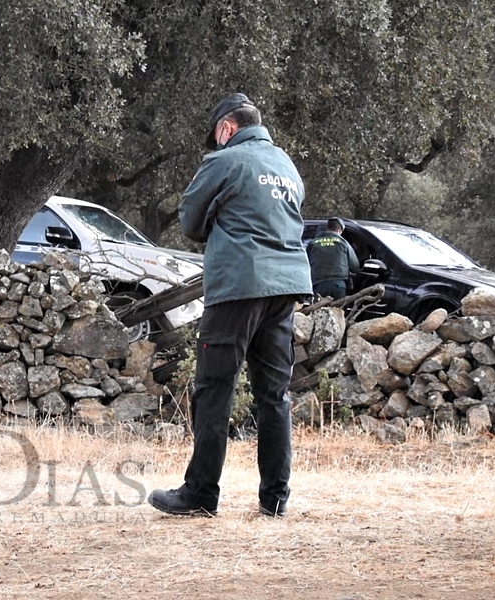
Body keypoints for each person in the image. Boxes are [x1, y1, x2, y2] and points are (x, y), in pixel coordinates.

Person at [148, 93, 312, 519]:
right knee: (273, 395)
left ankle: (201, 493)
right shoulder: (286, 165)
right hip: (285, 289)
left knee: (215, 389)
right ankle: (275, 499)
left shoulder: (225, 161)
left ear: (226, 128)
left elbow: (189, 221)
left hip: (238, 286)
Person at [306, 217, 359, 299]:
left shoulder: (313, 243)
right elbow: (355, 266)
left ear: (328, 228)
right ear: (339, 230)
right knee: (338, 310)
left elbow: (305, 263)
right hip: (338, 285)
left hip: (318, 284)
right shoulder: (343, 243)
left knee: (318, 311)